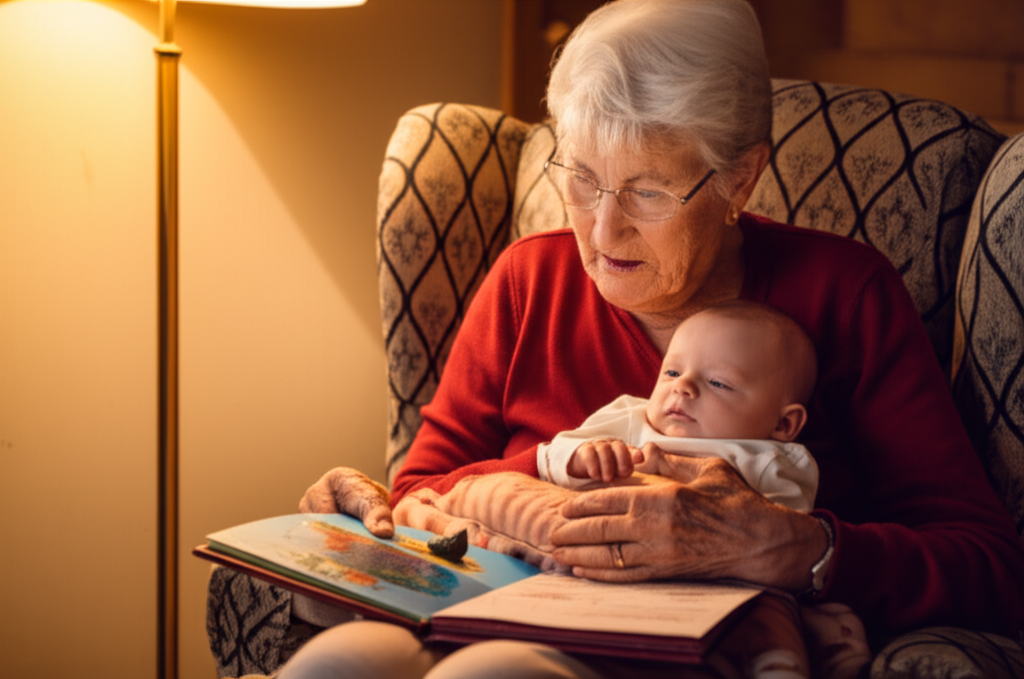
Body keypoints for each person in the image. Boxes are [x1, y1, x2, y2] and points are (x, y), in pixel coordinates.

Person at [282, 1, 1024, 678]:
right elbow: (421, 488)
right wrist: (379, 510)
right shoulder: (525, 280)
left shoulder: (845, 294)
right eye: (583, 178)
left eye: (648, 191)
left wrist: (792, 546)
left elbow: (990, 563)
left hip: (672, 653)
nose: (603, 233)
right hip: (493, 616)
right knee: (336, 661)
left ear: (741, 180)